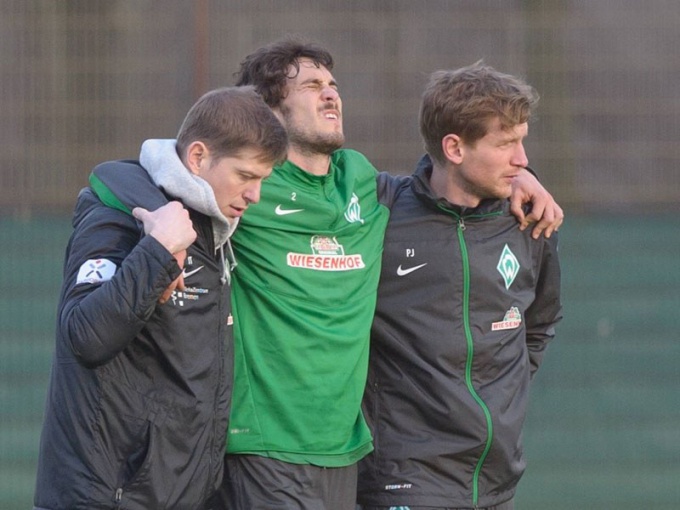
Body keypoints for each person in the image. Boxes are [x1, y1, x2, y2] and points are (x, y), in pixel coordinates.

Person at [89, 37, 563, 510]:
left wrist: (518, 174)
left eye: (333, 83)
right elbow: (133, 175)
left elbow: (446, 193)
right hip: (263, 448)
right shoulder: (246, 187)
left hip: (346, 453)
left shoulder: (365, 183)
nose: (331, 93)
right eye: (312, 86)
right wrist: (158, 231)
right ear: (267, 110)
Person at [33, 86, 288, 510]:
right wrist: (156, 252)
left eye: (262, 180)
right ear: (198, 157)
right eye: (245, 176)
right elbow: (84, 336)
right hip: (106, 497)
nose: (255, 195)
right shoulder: (120, 217)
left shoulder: (210, 226)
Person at [356, 62, 563, 510]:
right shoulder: (381, 212)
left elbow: (540, 323)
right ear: (454, 147)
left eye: (522, 140)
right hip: (404, 476)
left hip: (496, 480)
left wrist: (502, 397)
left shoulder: (529, 222)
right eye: (506, 143)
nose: (522, 159)